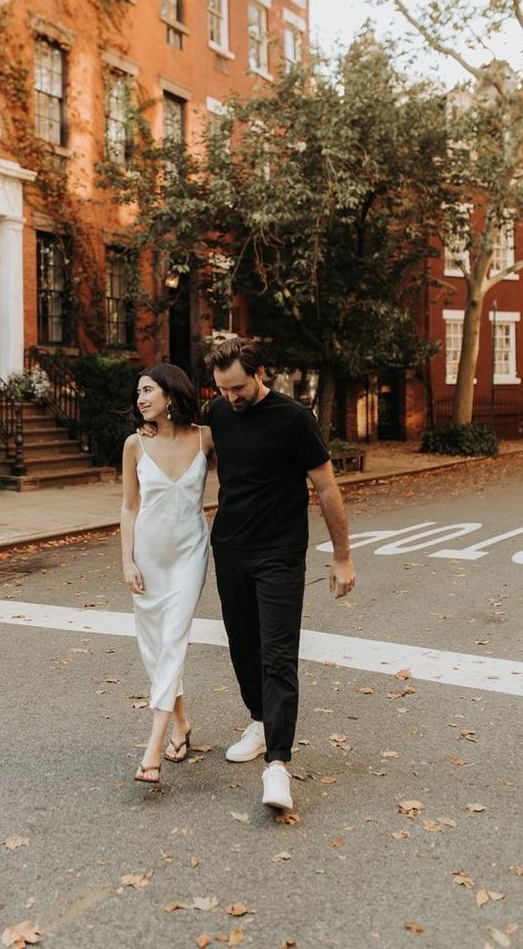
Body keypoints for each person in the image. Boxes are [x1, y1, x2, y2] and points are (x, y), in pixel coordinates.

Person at [203, 337, 356, 812]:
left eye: (238, 387)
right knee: (242, 646)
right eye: (223, 389)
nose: (231, 397)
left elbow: (327, 488)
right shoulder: (217, 413)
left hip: (279, 555)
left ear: (260, 372)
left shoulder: (294, 419)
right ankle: (258, 718)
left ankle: (278, 766)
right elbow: (192, 461)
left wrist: (342, 555)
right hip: (230, 550)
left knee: (277, 654)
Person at [120, 363, 214, 784]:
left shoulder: (206, 437)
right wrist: (127, 560)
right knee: (156, 648)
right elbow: (128, 507)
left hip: (190, 553)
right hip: (148, 556)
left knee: (173, 640)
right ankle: (181, 724)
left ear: (171, 395)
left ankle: (153, 750)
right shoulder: (134, 445)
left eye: (148, 391)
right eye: (139, 392)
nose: (140, 399)